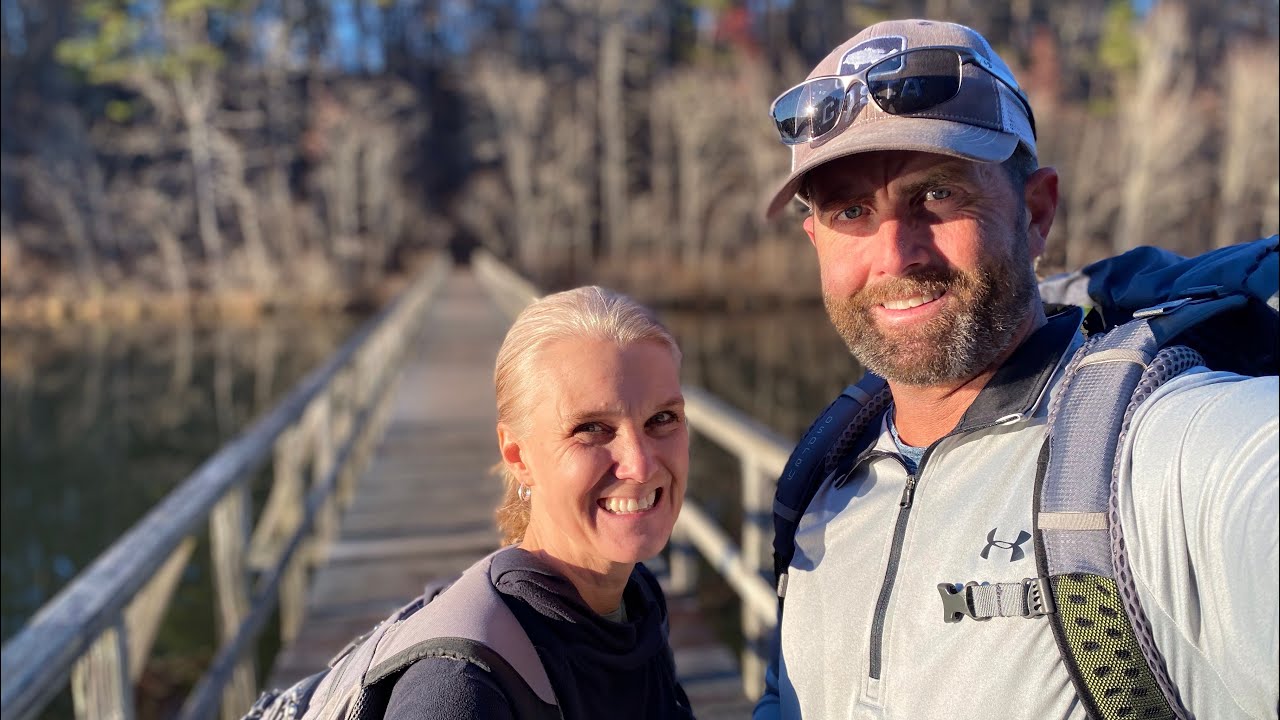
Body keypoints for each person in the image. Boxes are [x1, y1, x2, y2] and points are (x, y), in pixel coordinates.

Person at [754, 18, 1278, 720]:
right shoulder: (823, 485)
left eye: (936, 195)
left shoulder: (1148, 459)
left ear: (1036, 213)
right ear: (815, 238)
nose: (895, 255)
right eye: (852, 210)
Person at [383, 286, 695, 719]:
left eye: (662, 419)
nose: (640, 466)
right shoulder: (462, 688)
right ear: (518, 456)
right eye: (591, 429)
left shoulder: (636, 602)